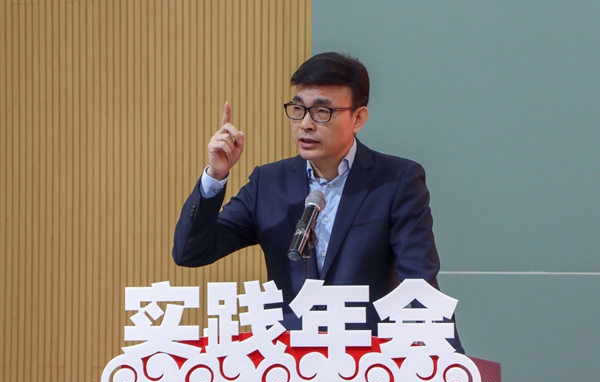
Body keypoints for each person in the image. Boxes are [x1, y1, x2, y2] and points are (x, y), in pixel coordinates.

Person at [173, 52, 463, 352]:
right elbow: (190, 252)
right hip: (285, 362)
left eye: (322, 112)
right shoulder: (268, 184)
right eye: (298, 109)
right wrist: (215, 176)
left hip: (367, 361)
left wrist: (451, 364)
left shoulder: (395, 181)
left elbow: (419, 282)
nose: (306, 124)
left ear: (358, 118)